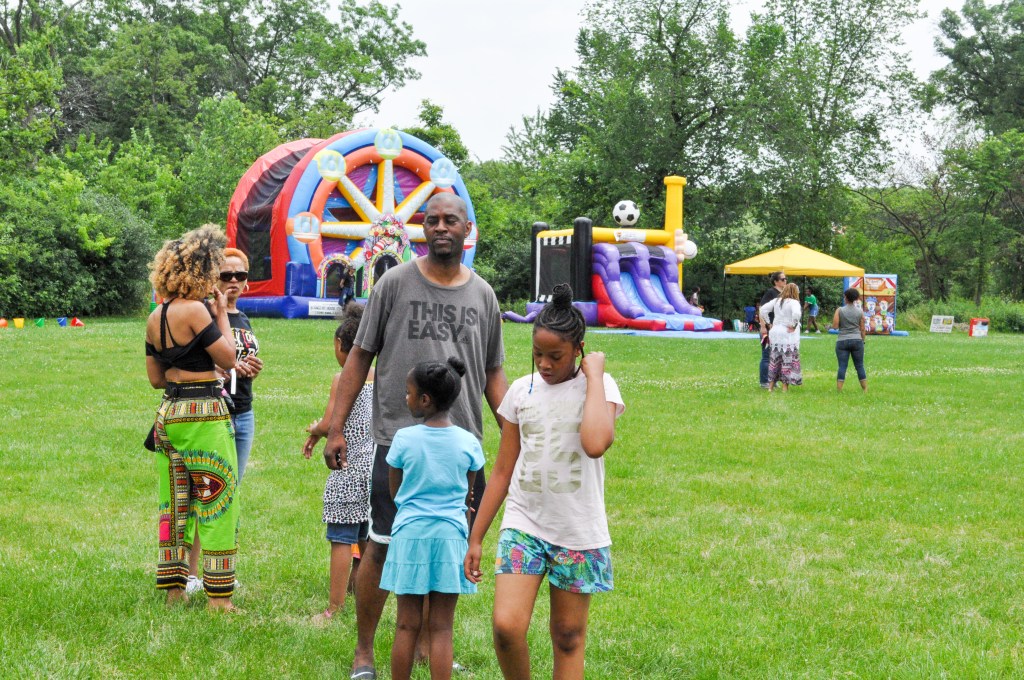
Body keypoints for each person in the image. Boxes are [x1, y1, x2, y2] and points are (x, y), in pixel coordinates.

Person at [324, 192, 508, 680]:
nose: (441, 227)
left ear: (467, 229)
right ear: (422, 229)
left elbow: (493, 373)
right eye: (432, 220)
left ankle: (429, 645)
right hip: (398, 442)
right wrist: (337, 427)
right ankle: (365, 653)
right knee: (382, 544)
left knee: (444, 545)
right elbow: (360, 355)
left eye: (451, 220)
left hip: (460, 447)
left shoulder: (484, 295)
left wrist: (515, 433)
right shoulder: (394, 283)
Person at [464, 283, 625, 680]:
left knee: (568, 637)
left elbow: (595, 443)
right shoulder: (521, 391)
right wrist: (476, 537)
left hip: (577, 530)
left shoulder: (599, 387)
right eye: (538, 354)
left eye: (556, 356)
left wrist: (595, 374)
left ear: (579, 349)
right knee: (506, 627)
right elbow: (502, 470)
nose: (545, 364)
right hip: (525, 524)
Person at [144, 224, 240, 611]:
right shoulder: (197, 310)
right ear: (202, 271)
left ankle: (174, 591)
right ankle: (220, 600)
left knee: (175, 504)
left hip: (169, 413)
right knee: (217, 499)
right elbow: (229, 359)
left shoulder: (155, 316)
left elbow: (155, 379)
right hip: (203, 414)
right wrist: (221, 314)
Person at [381, 357, 484, 680]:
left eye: (409, 392)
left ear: (425, 399)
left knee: (405, 624)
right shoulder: (469, 442)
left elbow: (395, 491)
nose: (406, 397)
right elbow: (468, 496)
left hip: (410, 535)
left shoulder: (403, 439)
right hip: (451, 538)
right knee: (442, 627)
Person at [186, 247, 264, 595]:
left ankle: (219, 570)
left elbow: (240, 360)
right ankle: (191, 574)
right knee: (208, 492)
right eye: (226, 275)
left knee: (228, 494)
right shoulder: (204, 313)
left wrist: (250, 369)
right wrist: (226, 367)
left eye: (239, 275)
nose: (233, 281)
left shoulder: (242, 318)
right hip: (215, 410)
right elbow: (193, 361)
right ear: (214, 278)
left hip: (243, 411)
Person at [303, 302, 374, 622]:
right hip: (377, 469)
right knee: (369, 538)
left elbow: (332, 422)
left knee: (342, 537)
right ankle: (367, 599)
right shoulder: (382, 377)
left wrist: (315, 430)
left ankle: (334, 607)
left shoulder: (342, 377)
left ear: (339, 345)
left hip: (348, 468)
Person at [759, 282, 803, 392]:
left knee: (774, 360)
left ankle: (770, 387)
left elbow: (763, 309)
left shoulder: (776, 301)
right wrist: (793, 325)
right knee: (787, 360)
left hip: (775, 332)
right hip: (787, 333)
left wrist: (768, 323)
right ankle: (784, 387)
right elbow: (797, 314)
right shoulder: (794, 302)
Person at [833, 288, 868, 392]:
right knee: (859, 366)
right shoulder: (860, 311)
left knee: (842, 366)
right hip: (857, 340)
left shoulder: (839, 310)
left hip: (842, 340)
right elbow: (862, 328)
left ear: (846, 298)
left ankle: (839, 390)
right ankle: (865, 389)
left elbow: (835, 326)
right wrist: (863, 340)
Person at [758, 271, 787, 388]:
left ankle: (772, 381)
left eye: (786, 278)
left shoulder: (784, 293)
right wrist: (763, 326)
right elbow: (761, 309)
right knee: (767, 356)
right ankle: (764, 381)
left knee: (776, 356)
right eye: (783, 279)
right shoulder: (771, 292)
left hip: (778, 329)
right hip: (768, 328)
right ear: (776, 281)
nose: (785, 281)